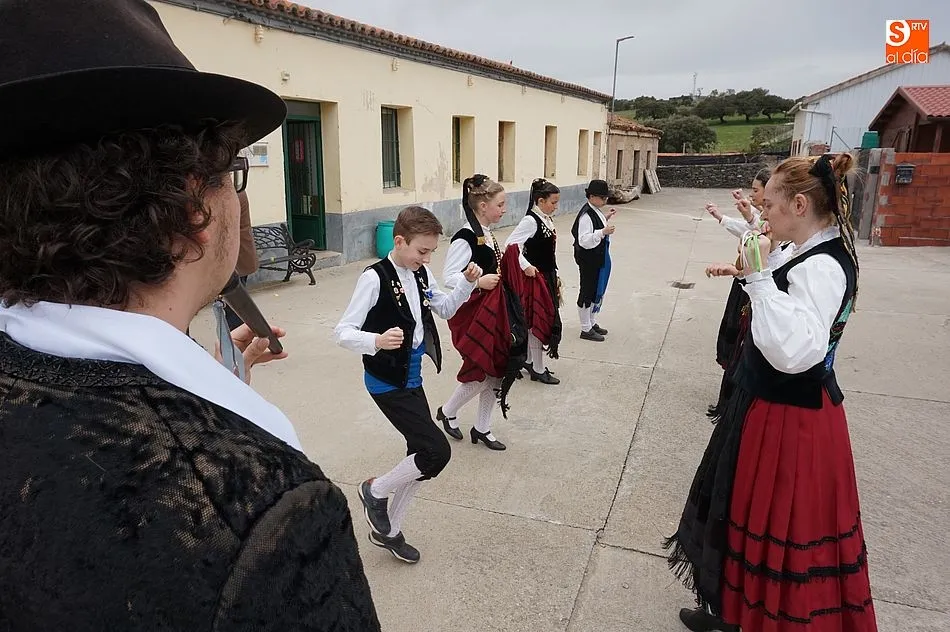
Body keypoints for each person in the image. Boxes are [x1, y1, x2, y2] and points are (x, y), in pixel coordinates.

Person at [0, 1, 380, 629]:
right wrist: (205, 424)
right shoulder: (257, 503)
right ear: (192, 208)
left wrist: (206, 398)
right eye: (234, 173)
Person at [664, 154, 877, 632]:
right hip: (772, 404)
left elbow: (795, 351)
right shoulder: (805, 251)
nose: (763, 214)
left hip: (790, 415)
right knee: (747, 513)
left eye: (770, 206)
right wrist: (754, 270)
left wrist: (759, 280)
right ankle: (739, 613)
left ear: (799, 205)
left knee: (775, 522)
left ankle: (766, 620)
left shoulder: (821, 267)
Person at [334, 206, 481, 563]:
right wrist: (375, 340)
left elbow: (445, 309)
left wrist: (466, 283)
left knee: (419, 455)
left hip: (412, 376)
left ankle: (389, 531)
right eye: (422, 251)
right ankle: (375, 490)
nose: (427, 259)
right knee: (436, 452)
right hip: (387, 382)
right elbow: (342, 332)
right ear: (399, 241)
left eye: (431, 252)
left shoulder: (421, 273)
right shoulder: (374, 278)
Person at [437, 174, 525, 451]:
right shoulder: (465, 237)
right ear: (483, 206)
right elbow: (449, 277)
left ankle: (482, 427)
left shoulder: (485, 232)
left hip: (492, 311)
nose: (504, 209)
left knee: (496, 370)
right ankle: (447, 411)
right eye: (500, 204)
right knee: (480, 371)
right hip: (472, 314)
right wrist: (478, 281)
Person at [704, 169, 794, 419]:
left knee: (743, 348)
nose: (761, 213)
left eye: (758, 192)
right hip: (751, 286)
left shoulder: (805, 258)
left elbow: (759, 246)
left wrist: (745, 270)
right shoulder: (777, 233)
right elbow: (752, 234)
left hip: (755, 293)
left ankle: (734, 405)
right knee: (737, 346)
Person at [504, 178, 563, 384]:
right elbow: (510, 245)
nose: (556, 206)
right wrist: (526, 265)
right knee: (538, 322)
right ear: (540, 201)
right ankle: (537, 368)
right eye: (553, 202)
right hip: (535, 279)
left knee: (536, 321)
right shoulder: (530, 221)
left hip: (546, 276)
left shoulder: (545, 218)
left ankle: (529, 360)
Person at [572, 179, 616, 342]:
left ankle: (591, 322)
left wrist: (606, 218)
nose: (605, 200)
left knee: (595, 289)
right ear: (591, 197)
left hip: (597, 257)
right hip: (588, 259)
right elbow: (584, 240)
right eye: (603, 197)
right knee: (587, 291)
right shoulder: (586, 215)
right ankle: (585, 328)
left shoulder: (594, 210)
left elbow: (595, 225)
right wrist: (602, 232)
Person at [224, 188, 260, 331]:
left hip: (237, 259)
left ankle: (238, 336)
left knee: (235, 306)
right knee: (235, 304)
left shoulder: (233, 192)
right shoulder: (233, 190)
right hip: (237, 259)